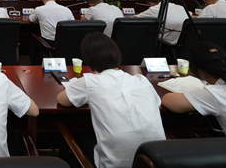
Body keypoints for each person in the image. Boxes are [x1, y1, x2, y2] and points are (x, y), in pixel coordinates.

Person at [57, 33, 165, 168]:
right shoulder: (142, 80)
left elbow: (62, 100)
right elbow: (157, 103)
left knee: (81, 133)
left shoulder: (90, 81)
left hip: (114, 164)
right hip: (157, 161)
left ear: (88, 60)